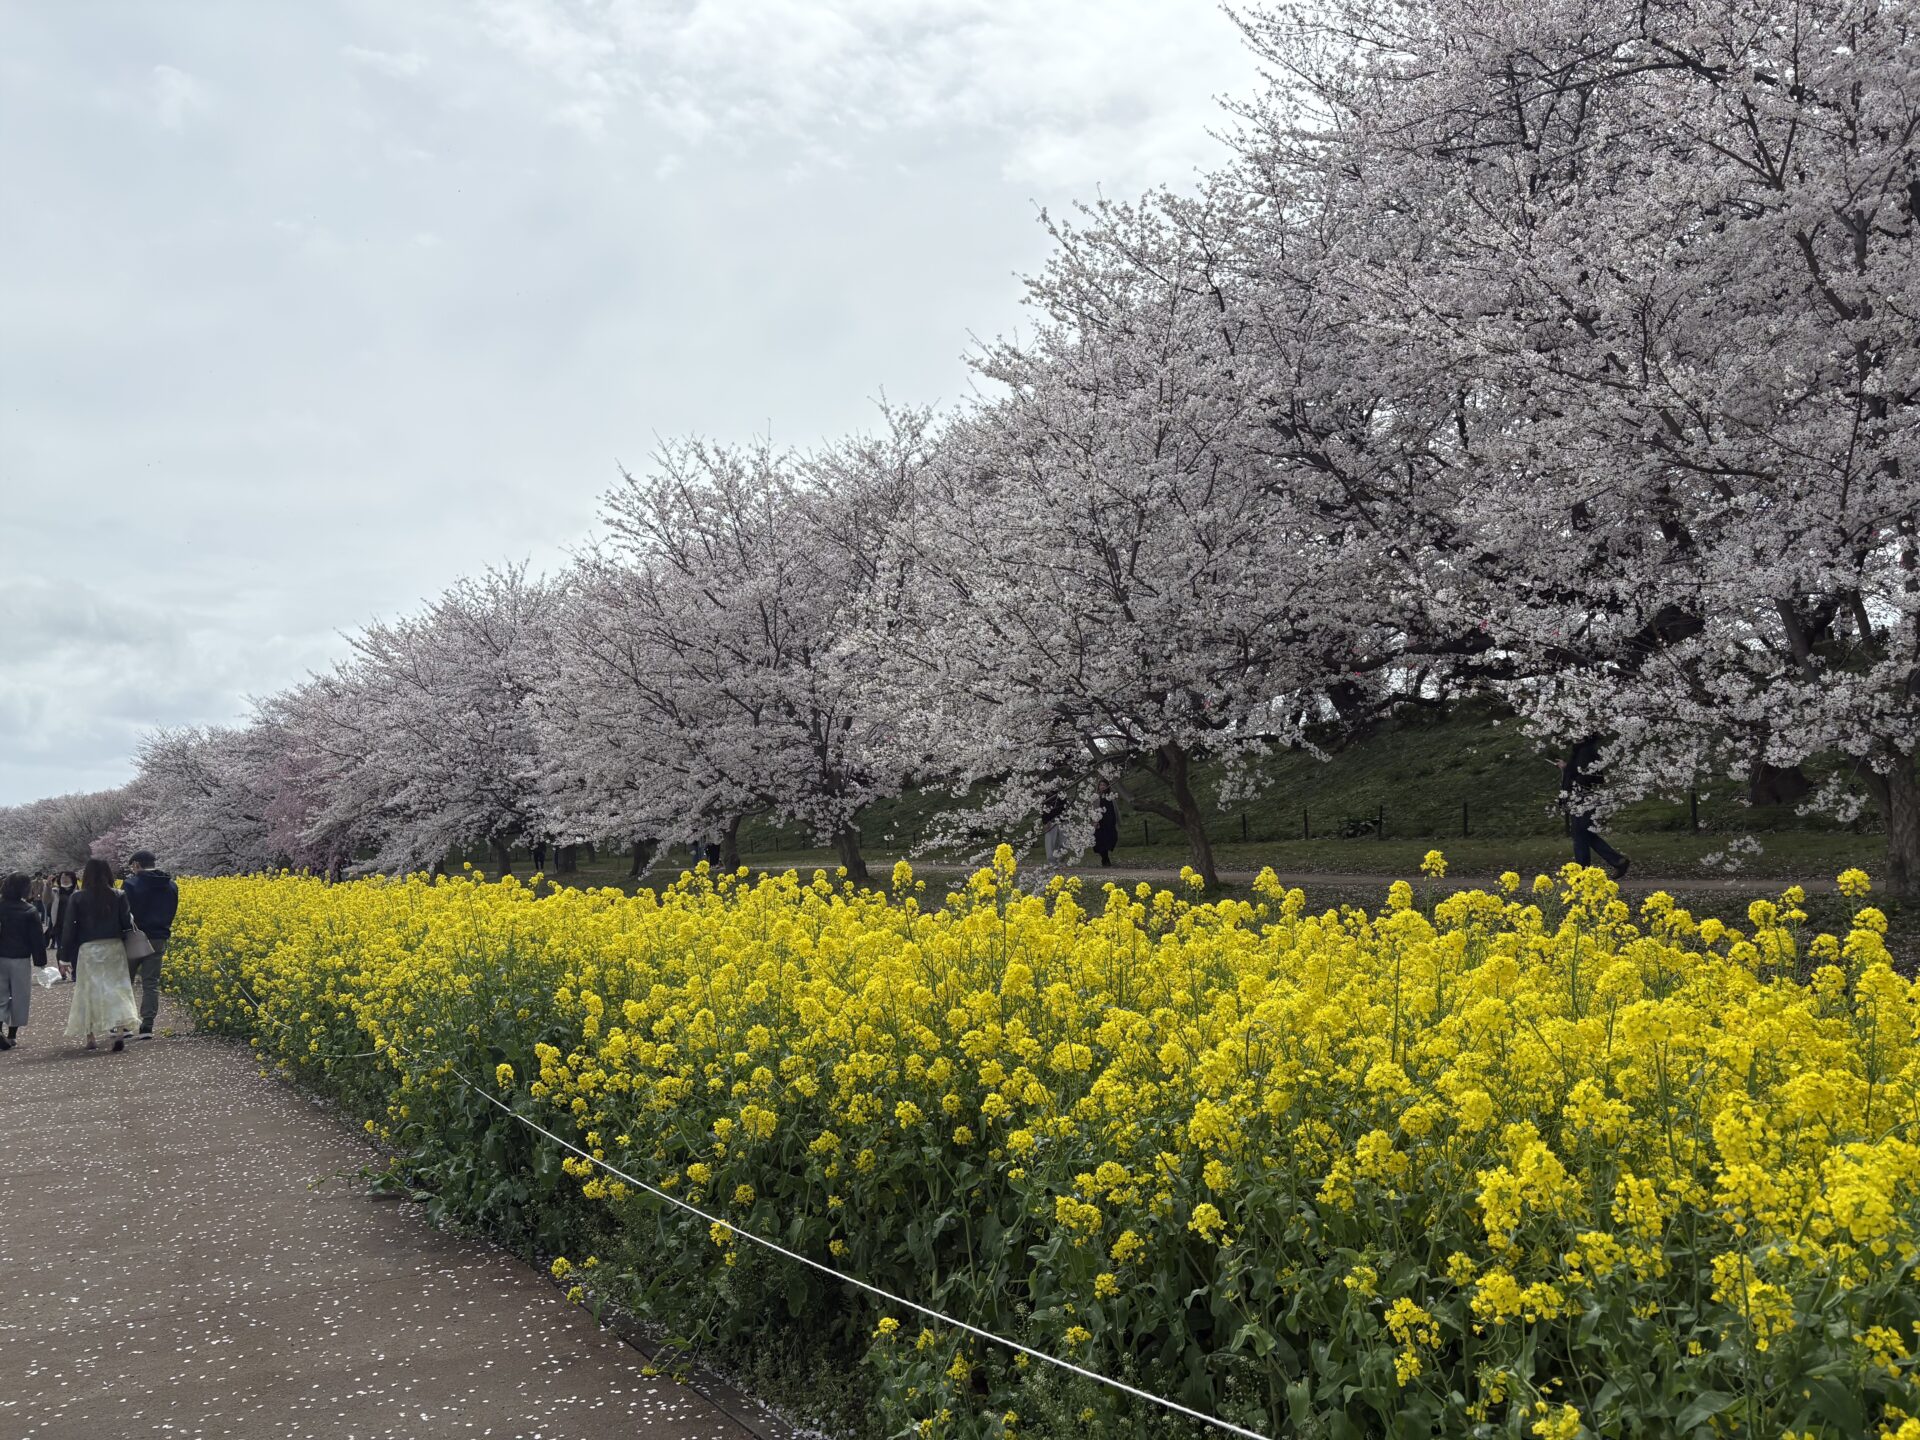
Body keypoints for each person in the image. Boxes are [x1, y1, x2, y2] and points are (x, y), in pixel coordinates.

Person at [59, 858, 141, 1051]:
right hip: (114, 947)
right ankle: (119, 1032)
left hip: (88, 949)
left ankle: (91, 1038)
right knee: (118, 989)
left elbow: (69, 927)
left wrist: (64, 956)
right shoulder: (119, 895)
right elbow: (126, 925)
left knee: (88, 991)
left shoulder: (77, 897)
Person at [1555, 736, 1631, 880]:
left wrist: (1570, 773)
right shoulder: (1580, 751)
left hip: (1583, 798)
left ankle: (1584, 872)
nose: (1574, 736)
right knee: (1585, 834)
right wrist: (1566, 767)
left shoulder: (1585, 752)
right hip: (1581, 798)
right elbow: (1579, 772)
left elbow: (1586, 777)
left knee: (1580, 835)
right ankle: (1617, 861)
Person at [122, 850, 179, 1039]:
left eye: (132, 866)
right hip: (158, 937)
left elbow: (124, 913)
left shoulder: (130, 884)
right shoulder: (171, 885)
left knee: (125, 982)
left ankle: (126, 1025)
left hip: (133, 937)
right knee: (151, 983)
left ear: (137, 864)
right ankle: (147, 1026)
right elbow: (172, 911)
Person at [0, 872, 50, 1050]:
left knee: (1, 995)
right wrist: (41, 962)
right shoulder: (29, 910)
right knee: (20, 996)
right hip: (20, 958)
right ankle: (12, 1034)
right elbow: (36, 939)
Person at [45, 869, 78, 981]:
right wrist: (48, 887)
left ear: (72, 879)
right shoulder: (55, 891)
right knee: (61, 949)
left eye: (67, 877)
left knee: (75, 950)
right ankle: (62, 971)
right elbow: (46, 900)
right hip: (59, 925)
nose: (64, 879)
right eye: (62, 877)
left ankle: (75, 973)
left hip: (75, 925)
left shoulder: (78, 892)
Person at [1092, 783, 1119, 868]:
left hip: (1110, 822)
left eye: (1104, 785)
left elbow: (1115, 810)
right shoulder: (1096, 798)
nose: (1102, 786)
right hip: (1100, 823)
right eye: (1100, 785)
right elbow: (1092, 810)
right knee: (1101, 842)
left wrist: (1116, 821)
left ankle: (1105, 858)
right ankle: (1105, 859)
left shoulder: (1111, 797)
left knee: (1111, 839)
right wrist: (1095, 821)